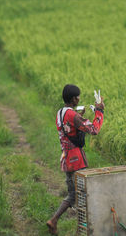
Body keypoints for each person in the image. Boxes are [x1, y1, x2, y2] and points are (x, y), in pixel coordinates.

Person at [47, 84, 104, 235]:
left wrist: (80, 116)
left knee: (73, 195)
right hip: (76, 160)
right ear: (73, 99)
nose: (79, 98)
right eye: (78, 96)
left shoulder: (61, 112)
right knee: (84, 196)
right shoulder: (73, 115)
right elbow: (94, 130)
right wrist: (99, 111)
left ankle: (53, 221)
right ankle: (82, 231)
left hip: (66, 159)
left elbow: (70, 129)